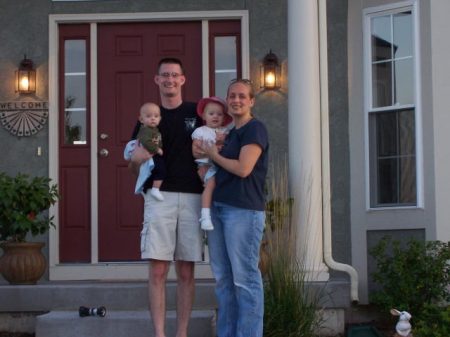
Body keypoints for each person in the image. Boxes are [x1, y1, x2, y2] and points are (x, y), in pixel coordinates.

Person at [129, 58, 203, 337]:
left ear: (183, 79)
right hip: (159, 198)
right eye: (164, 75)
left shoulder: (195, 113)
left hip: (193, 197)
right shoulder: (148, 116)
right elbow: (133, 165)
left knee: (186, 272)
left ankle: (181, 333)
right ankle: (159, 334)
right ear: (156, 80)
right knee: (158, 271)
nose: (170, 80)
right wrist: (135, 160)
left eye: (174, 75)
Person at [201, 79, 269, 337]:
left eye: (242, 96)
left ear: (251, 101)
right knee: (224, 281)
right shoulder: (229, 134)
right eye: (232, 96)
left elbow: (243, 169)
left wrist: (214, 156)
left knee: (245, 280)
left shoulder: (255, 129)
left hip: (243, 211)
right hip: (218, 209)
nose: (236, 100)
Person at [191, 96, 232, 230]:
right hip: (206, 165)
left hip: (221, 165)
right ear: (204, 116)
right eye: (211, 113)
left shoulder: (225, 131)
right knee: (210, 184)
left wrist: (221, 142)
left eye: (219, 114)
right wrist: (212, 150)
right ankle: (205, 215)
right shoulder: (200, 131)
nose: (215, 116)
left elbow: (227, 150)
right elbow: (196, 150)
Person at [124, 102, 165, 200]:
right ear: (141, 119)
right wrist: (157, 149)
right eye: (149, 116)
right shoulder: (145, 130)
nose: (153, 118)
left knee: (154, 171)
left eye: (156, 116)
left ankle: (146, 187)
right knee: (159, 170)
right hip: (150, 155)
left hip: (152, 154)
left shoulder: (155, 130)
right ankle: (154, 189)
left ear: (160, 119)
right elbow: (146, 142)